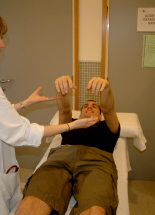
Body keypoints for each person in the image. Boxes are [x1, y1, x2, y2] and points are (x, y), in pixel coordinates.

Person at [0, 7, 98, 215]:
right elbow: (21, 133)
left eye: (1, 37)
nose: (2, 44)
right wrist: (72, 124)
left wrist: (24, 104)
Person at [15, 76, 120, 215]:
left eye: (94, 106)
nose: (89, 107)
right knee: (33, 201)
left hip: (96, 163)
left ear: (100, 115)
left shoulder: (107, 127)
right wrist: (61, 90)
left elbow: (109, 110)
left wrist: (106, 88)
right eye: (86, 106)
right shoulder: (70, 124)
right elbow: (64, 110)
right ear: (80, 114)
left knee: (95, 208)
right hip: (61, 159)